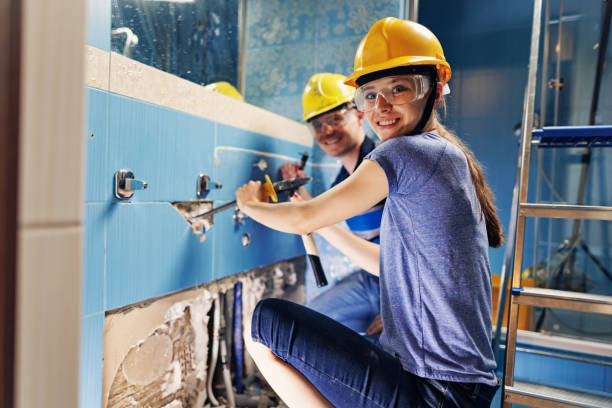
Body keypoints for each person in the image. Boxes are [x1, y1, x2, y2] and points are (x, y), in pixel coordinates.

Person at [236, 17, 504, 408]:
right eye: (371, 94)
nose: (382, 106)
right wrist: (313, 216)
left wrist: (249, 203)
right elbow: (385, 264)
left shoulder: (404, 152)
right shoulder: (444, 156)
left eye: (399, 89)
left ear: (437, 88)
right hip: (460, 389)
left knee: (264, 322)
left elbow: (301, 220)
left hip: (435, 391)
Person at [281, 72, 384, 339]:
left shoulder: (381, 167)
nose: (326, 131)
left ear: (360, 115)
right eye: (317, 125)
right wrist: (298, 190)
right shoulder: (344, 181)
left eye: (335, 118)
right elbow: (317, 217)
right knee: (304, 329)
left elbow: (417, 250)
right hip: (372, 280)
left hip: (402, 288)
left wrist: (398, 309)